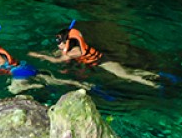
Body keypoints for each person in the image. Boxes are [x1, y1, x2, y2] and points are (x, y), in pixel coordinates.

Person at [29, 20, 159, 87]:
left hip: (104, 62)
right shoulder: (73, 48)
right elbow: (60, 53)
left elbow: (57, 60)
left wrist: (40, 55)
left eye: (60, 42)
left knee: (125, 76)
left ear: (65, 42)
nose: (58, 45)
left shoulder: (74, 52)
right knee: (127, 71)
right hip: (101, 59)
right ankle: (153, 75)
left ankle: (152, 84)